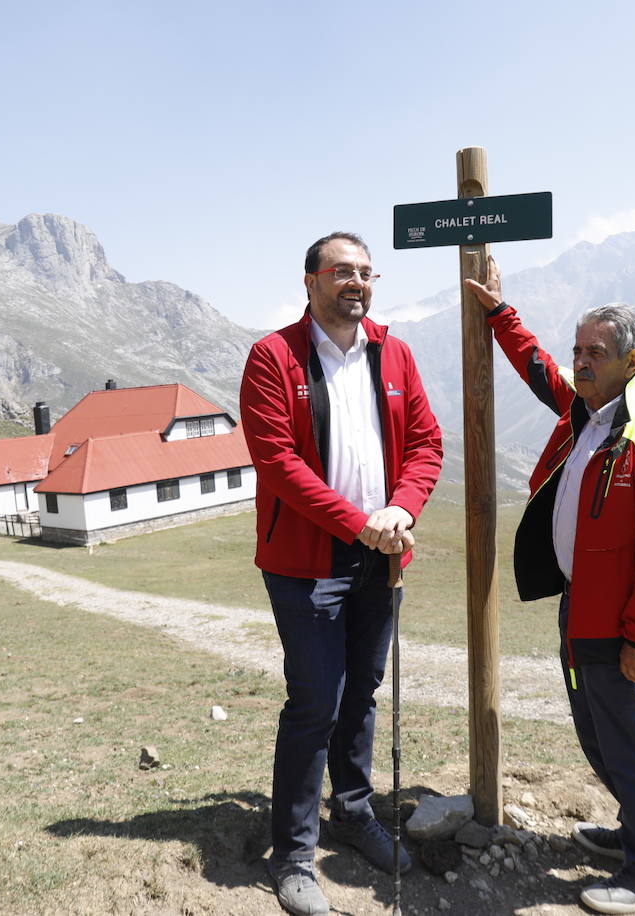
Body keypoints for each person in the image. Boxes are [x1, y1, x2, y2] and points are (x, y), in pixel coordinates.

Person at [465, 262, 635, 915]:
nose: (580, 362)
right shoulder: (588, 413)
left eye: (595, 352)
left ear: (634, 359)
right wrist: (499, 314)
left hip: (622, 624)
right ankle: (633, 832)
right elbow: (538, 367)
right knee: (598, 733)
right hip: (580, 609)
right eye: (578, 350)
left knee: (630, 736)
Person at [239, 232, 443, 916]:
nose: (356, 282)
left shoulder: (395, 352)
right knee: (315, 701)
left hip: (381, 557)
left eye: (365, 272)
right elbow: (278, 463)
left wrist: (398, 508)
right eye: (341, 272)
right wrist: (356, 521)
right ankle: (293, 853)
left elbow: (425, 443)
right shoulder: (273, 357)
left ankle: (353, 815)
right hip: (306, 564)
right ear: (310, 281)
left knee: (362, 693)